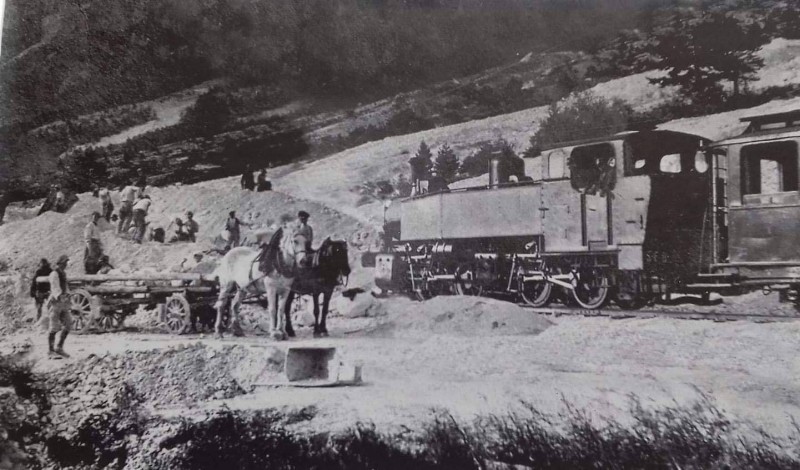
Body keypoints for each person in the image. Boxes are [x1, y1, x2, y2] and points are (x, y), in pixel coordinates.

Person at [47, 255, 72, 358]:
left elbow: (65, 287)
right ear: (61, 263)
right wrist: (61, 296)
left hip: (63, 303)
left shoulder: (63, 273)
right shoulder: (54, 274)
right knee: (53, 327)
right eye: (65, 262)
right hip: (55, 303)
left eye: (66, 262)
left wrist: (68, 296)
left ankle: (59, 347)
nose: (66, 264)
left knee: (68, 324)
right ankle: (50, 351)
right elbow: (55, 288)